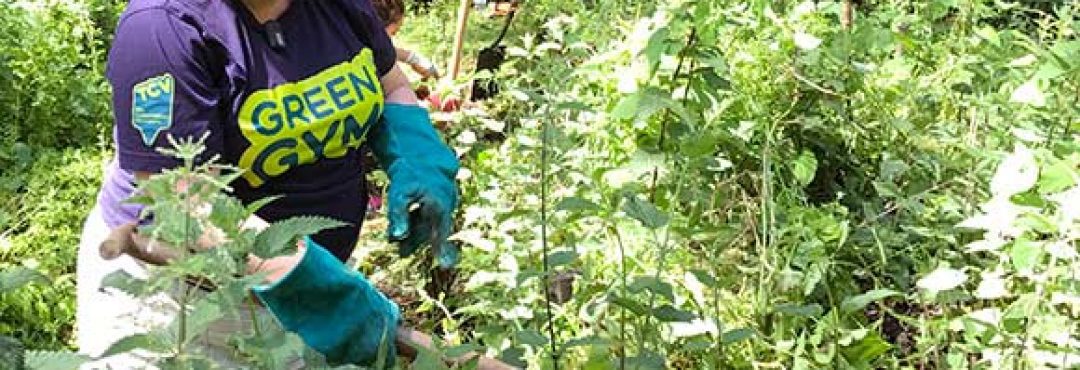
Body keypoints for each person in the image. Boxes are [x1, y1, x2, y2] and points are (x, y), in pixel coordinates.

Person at [74, 0, 460, 368]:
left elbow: (390, 84)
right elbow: (186, 204)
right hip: (186, 307)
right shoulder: (161, 28)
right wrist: (322, 294)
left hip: (310, 285)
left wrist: (417, 155)